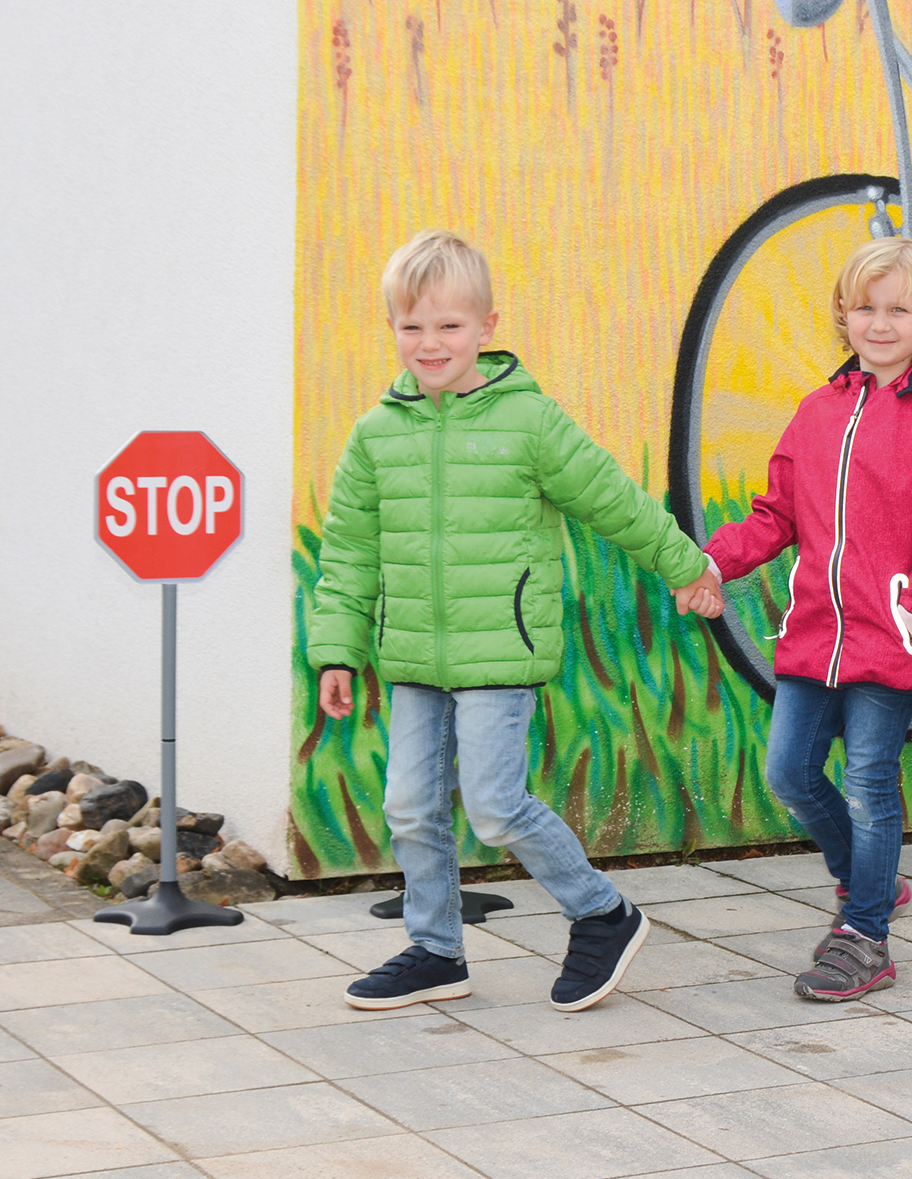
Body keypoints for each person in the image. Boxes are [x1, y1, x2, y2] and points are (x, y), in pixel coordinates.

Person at [308, 231, 726, 1012]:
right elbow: (349, 553)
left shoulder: (529, 422)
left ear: (488, 327)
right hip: (412, 659)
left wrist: (684, 564)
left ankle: (602, 912)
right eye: (412, 327)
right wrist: (337, 650)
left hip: (502, 648)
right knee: (409, 804)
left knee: (496, 804)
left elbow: (612, 497)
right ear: (392, 328)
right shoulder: (376, 436)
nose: (430, 344)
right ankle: (436, 949)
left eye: (450, 326)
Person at [706, 238, 912, 1001]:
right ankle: (869, 879)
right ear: (843, 314)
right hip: (813, 636)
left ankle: (866, 935)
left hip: (890, 639)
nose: (881, 323)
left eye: (899, 309)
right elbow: (775, 515)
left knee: (869, 780)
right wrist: (712, 563)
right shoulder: (817, 412)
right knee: (789, 773)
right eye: (866, 307)